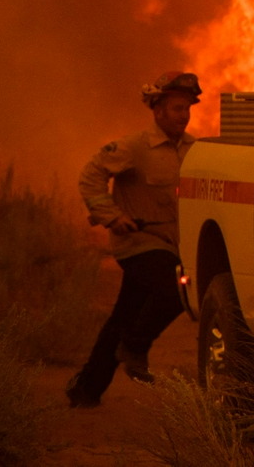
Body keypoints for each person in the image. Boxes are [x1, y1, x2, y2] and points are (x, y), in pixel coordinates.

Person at [67, 70, 201, 409]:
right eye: (176, 108)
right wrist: (112, 216)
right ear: (157, 111)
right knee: (175, 289)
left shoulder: (195, 150)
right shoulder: (134, 147)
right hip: (138, 243)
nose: (183, 115)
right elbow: (91, 175)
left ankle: (86, 389)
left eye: (186, 108)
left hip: (170, 245)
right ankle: (137, 347)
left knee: (124, 316)